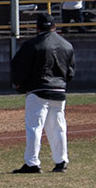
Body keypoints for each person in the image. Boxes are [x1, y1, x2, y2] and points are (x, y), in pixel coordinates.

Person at [10, 12, 74, 174]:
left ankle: (32, 163)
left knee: (34, 127)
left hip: (37, 90)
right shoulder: (67, 45)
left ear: (37, 28)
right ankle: (61, 161)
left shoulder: (32, 45)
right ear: (55, 26)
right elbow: (70, 71)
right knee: (58, 127)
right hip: (59, 91)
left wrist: (19, 85)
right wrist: (62, 83)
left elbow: (19, 67)